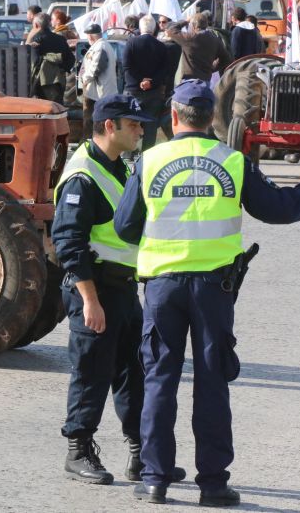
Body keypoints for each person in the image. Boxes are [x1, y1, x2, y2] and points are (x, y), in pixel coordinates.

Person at [114, 79, 300, 507]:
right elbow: (278, 210)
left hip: (163, 287)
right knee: (213, 383)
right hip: (214, 290)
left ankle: (155, 478)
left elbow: (124, 227)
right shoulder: (232, 161)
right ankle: (212, 484)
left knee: (160, 381)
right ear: (213, 117)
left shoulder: (149, 161)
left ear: (174, 116)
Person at [52, 94, 185, 486]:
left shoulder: (118, 167)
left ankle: (140, 453)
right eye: (134, 125)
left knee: (134, 374)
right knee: (92, 371)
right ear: (110, 126)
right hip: (94, 289)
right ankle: (78, 451)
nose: (141, 131)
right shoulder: (82, 175)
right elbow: (69, 243)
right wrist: (90, 301)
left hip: (123, 288)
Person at [123, 15, 168, 150]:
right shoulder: (161, 46)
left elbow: (126, 67)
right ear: (154, 28)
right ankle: (147, 154)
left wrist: (139, 82)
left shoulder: (131, 43)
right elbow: (164, 70)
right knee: (150, 126)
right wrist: (151, 82)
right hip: (154, 93)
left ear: (140, 27)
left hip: (133, 91)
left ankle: (128, 152)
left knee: (130, 122)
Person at [166, 12, 231, 83]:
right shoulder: (214, 39)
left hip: (190, 81)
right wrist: (212, 68)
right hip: (206, 81)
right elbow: (226, 58)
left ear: (193, 26)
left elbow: (171, 29)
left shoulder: (189, 38)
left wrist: (186, 21)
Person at [78, 24, 117, 142]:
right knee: (94, 119)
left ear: (90, 36)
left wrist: (85, 79)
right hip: (97, 90)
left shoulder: (100, 47)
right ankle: (90, 142)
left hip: (98, 92)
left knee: (92, 119)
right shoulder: (101, 45)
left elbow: (96, 68)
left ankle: (88, 143)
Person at [27, 11, 73, 104]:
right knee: (58, 109)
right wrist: (61, 69)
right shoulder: (60, 39)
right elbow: (71, 59)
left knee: (43, 110)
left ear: (36, 25)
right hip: (58, 81)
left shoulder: (36, 40)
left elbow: (33, 61)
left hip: (41, 82)